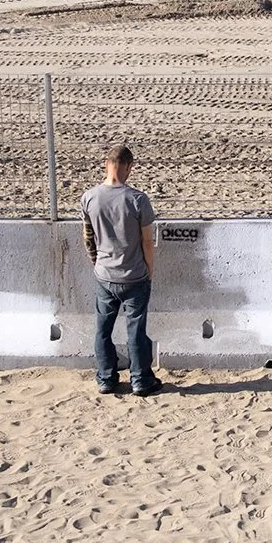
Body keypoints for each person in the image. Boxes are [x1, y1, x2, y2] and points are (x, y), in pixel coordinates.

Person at [82, 143, 160, 396]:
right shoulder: (137, 199)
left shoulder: (89, 197)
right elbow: (147, 241)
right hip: (134, 275)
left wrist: (96, 262)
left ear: (106, 164)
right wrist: (149, 269)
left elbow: (88, 237)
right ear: (129, 166)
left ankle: (106, 378)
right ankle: (140, 380)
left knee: (103, 329)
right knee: (135, 329)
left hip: (105, 274)